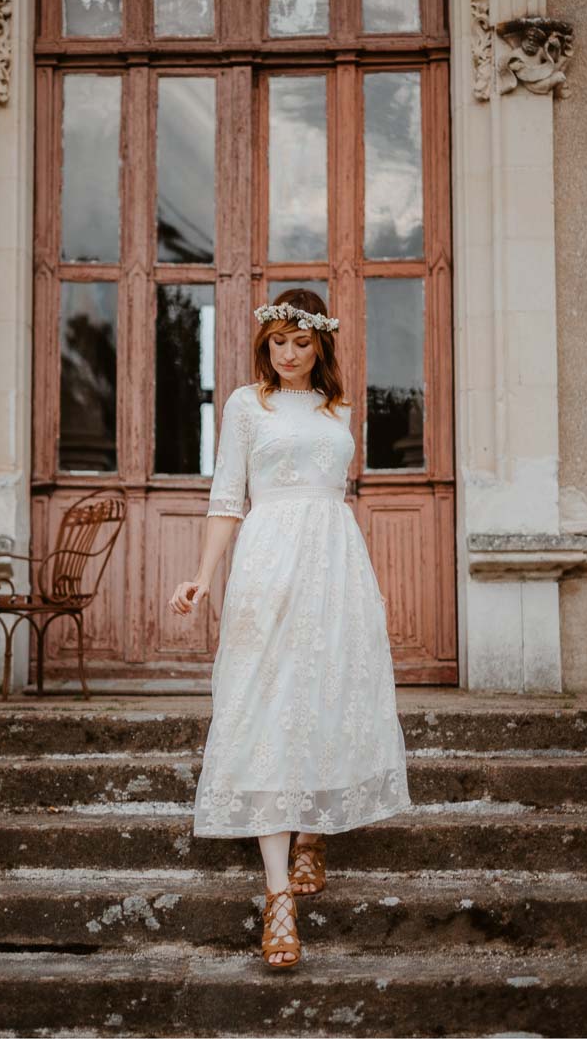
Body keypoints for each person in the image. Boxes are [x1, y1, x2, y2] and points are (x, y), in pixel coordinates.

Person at [168, 289, 411, 972]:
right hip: (267, 560)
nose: (288, 353)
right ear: (264, 345)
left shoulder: (340, 410)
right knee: (263, 706)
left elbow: (333, 495)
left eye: (301, 342)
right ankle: (278, 899)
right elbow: (227, 497)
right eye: (277, 341)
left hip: (335, 564)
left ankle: (312, 830)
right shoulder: (248, 405)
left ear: (322, 345)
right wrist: (205, 575)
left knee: (326, 694)